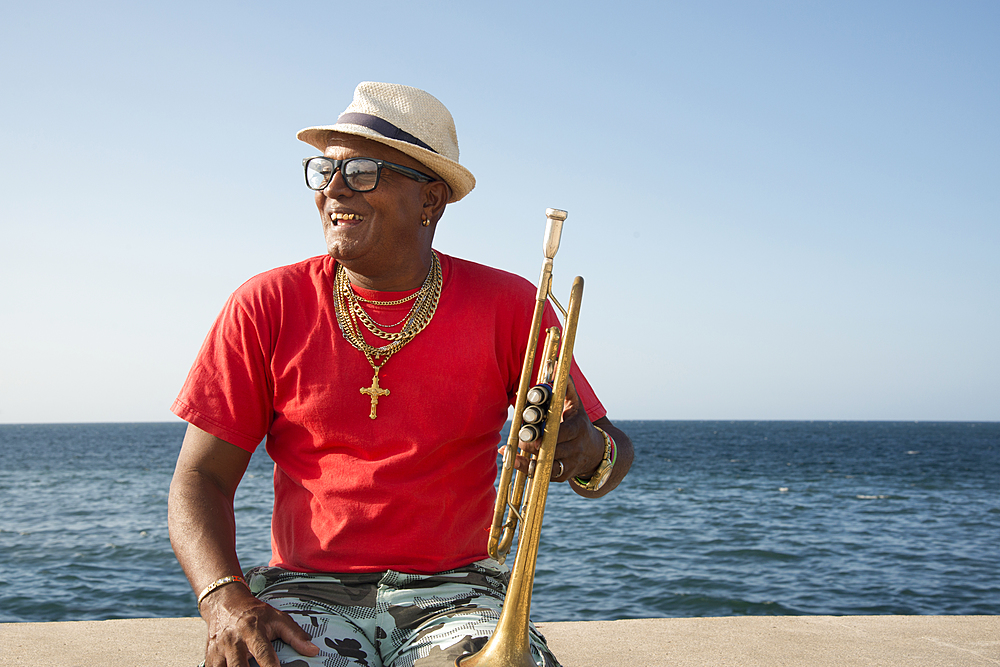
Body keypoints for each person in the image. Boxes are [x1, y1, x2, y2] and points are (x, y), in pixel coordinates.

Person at [167, 81, 633, 667]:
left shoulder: (514, 305)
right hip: (305, 591)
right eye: (324, 170)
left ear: (430, 201)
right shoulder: (265, 303)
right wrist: (224, 599)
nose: (334, 189)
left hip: (459, 596)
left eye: (363, 171)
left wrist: (584, 449)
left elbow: (614, 455)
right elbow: (199, 480)